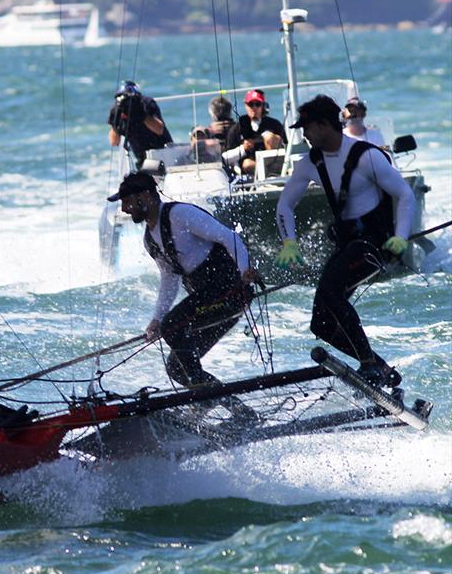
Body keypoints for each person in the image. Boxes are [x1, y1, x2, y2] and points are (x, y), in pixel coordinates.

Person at [274, 94, 414, 387]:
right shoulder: (310, 163)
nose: (305, 135)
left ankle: (366, 364)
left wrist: (401, 238)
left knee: (331, 291)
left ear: (325, 125)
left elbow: (404, 194)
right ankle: (380, 366)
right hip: (348, 247)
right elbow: (285, 205)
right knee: (321, 323)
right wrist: (290, 242)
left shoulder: (367, 156)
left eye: (307, 128)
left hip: (373, 245)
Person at [108, 172, 259, 387]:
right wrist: (157, 320)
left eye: (127, 201)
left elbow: (229, 237)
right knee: (176, 367)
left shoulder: (180, 214)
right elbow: (169, 278)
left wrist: (246, 271)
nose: (124, 209)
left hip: (230, 291)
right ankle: (234, 408)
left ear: (146, 196)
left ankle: (203, 392)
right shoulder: (150, 239)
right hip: (207, 302)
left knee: (173, 324)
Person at [108, 80, 172, 168]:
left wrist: (142, 115)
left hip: (163, 152)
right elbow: (114, 142)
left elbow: (159, 129)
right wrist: (116, 120)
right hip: (142, 159)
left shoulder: (147, 104)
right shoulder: (119, 110)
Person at [224, 89, 287, 176]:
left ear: (263, 106)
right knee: (247, 163)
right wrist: (243, 148)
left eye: (257, 104)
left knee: (270, 137)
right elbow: (225, 158)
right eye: (250, 104)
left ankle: (274, 173)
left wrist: (274, 140)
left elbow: (287, 146)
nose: (254, 108)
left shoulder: (274, 124)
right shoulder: (236, 129)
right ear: (246, 105)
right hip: (250, 171)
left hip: (276, 167)